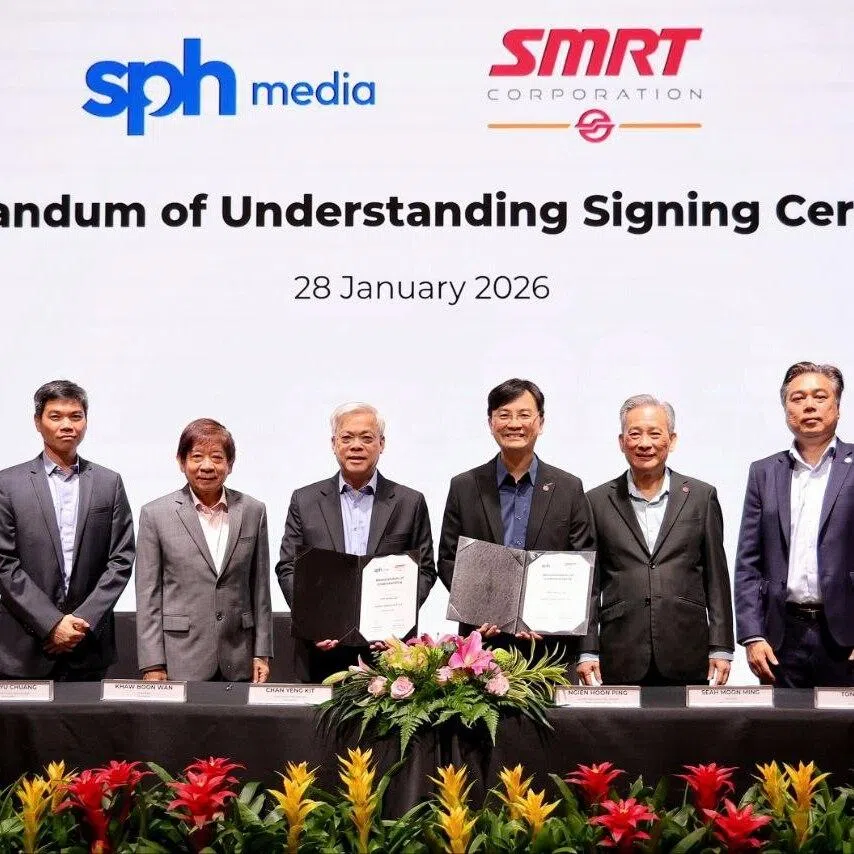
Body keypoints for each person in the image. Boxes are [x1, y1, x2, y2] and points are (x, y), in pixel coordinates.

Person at [578, 395, 734, 686]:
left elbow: (716, 578)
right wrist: (587, 650)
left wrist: (721, 646)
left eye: (655, 433)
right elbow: (589, 585)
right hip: (620, 649)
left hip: (687, 647)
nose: (644, 443)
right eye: (634, 434)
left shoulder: (701, 497)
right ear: (621, 442)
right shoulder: (596, 501)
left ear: (671, 440)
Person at [276, 402, 436, 682]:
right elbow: (288, 567)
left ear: (381, 444)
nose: (356, 446)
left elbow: (425, 571)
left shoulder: (409, 502)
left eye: (366, 438)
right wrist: (313, 623)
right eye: (347, 437)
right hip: (321, 652)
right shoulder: (305, 500)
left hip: (387, 654)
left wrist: (397, 625)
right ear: (334, 444)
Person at [438, 378, 595, 653]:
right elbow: (449, 559)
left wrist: (552, 619)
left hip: (550, 647)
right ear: (491, 423)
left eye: (524, 415)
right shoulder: (464, 486)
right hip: (482, 646)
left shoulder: (568, 488)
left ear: (540, 422)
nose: (514, 424)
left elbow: (583, 565)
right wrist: (480, 610)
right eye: (504, 415)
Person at [0, 380, 134, 680]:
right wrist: (50, 624)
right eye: (55, 416)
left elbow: (121, 559)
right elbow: (4, 563)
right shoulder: (7, 484)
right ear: (38, 422)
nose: (67, 425)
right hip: (24, 647)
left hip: (88, 646)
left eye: (76, 416)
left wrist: (80, 622)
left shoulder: (108, 482)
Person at [735, 361, 854, 687]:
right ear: (786, 409)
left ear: (838, 407)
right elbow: (748, 563)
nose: (809, 406)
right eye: (797, 398)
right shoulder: (764, 472)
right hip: (781, 638)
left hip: (845, 636)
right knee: (784, 721)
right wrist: (752, 635)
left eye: (819, 396)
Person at [135, 418, 273, 682]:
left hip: (240, 656)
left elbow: (261, 589)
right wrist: (152, 664)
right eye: (197, 456)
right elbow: (148, 595)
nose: (207, 466)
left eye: (217, 457)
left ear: (230, 464)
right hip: (180, 657)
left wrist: (262, 653)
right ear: (181, 462)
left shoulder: (253, 511)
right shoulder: (155, 514)